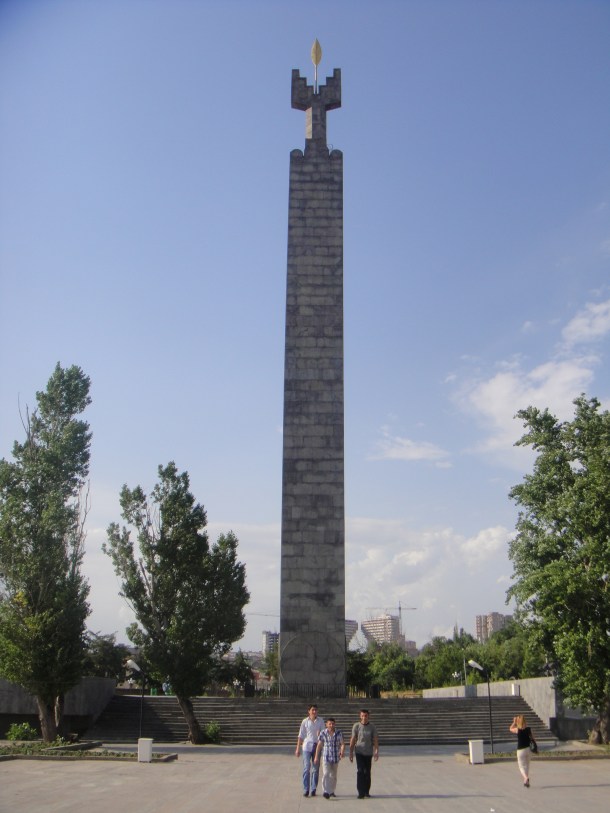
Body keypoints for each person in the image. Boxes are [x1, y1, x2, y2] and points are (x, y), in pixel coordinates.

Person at [295, 704, 325, 797]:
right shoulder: (305, 721)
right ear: (309, 711)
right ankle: (306, 788)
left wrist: (320, 734)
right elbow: (301, 735)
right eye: (312, 710)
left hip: (317, 746)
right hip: (306, 747)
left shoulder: (321, 721)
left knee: (315, 769)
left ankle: (313, 789)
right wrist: (297, 748)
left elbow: (324, 734)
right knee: (306, 768)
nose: (314, 712)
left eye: (315, 710)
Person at [349, 708, 379, 799]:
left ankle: (366, 791)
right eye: (362, 716)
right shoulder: (356, 726)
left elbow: (375, 739)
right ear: (360, 716)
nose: (364, 717)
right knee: (360, 770)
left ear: (368, 716)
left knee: (367, 771)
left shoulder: (372, 727)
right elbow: (353, 739)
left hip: (368, 752)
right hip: (359, 751)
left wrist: (376, 751)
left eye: (365, 716)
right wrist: (351, 752)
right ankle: (360, 792)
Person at [314, 717, 345, 799]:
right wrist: (316, 756)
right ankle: (326, 791)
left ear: (335, 724)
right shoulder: (323, 733)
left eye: (332, 724)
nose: (331, 725)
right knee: (326, 774)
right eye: (329, 724)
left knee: (333, 775)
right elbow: (319, 745)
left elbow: (342, 744)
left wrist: (342, 752)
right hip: (326, 757)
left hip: (335, 757)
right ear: (326, 724)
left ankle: (332, 791)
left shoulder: (338, 733)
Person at [509, 714, 537, 787]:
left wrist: (514, 722)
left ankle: (525, 778)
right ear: (524, 721)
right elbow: (533, 738)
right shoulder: (528, 729)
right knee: (527, 765)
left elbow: (510, 728)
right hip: (528, 749)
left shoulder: (517, 730)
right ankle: (526, 781)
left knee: (521, 766)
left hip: (520, 750)